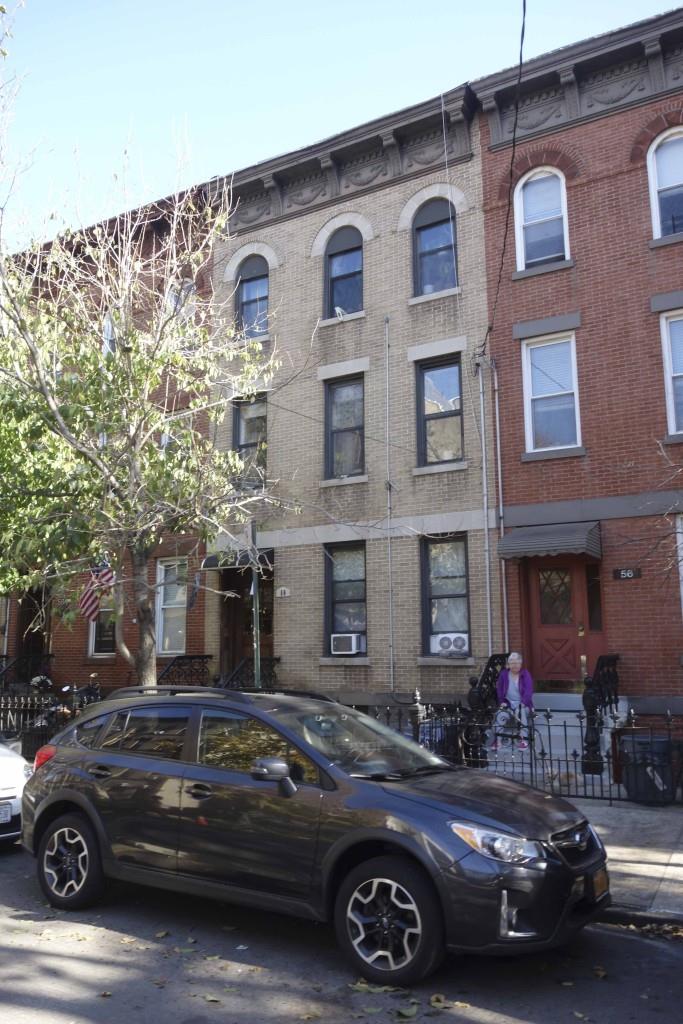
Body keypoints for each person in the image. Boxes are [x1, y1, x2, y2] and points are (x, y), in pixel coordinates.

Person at [491, 652, 534, 751]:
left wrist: (523, 703)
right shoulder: (504, 674)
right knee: (500, 714)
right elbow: (500, 689)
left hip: (523, 703)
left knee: (521, 712)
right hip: (508, 703)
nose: (515, 665)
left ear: (521, 664)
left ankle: (524, 740)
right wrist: (502, 701)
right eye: (512, 663)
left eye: (517, 663)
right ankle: (498, 740)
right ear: (509, 664)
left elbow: (529, 691)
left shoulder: (525, 674)